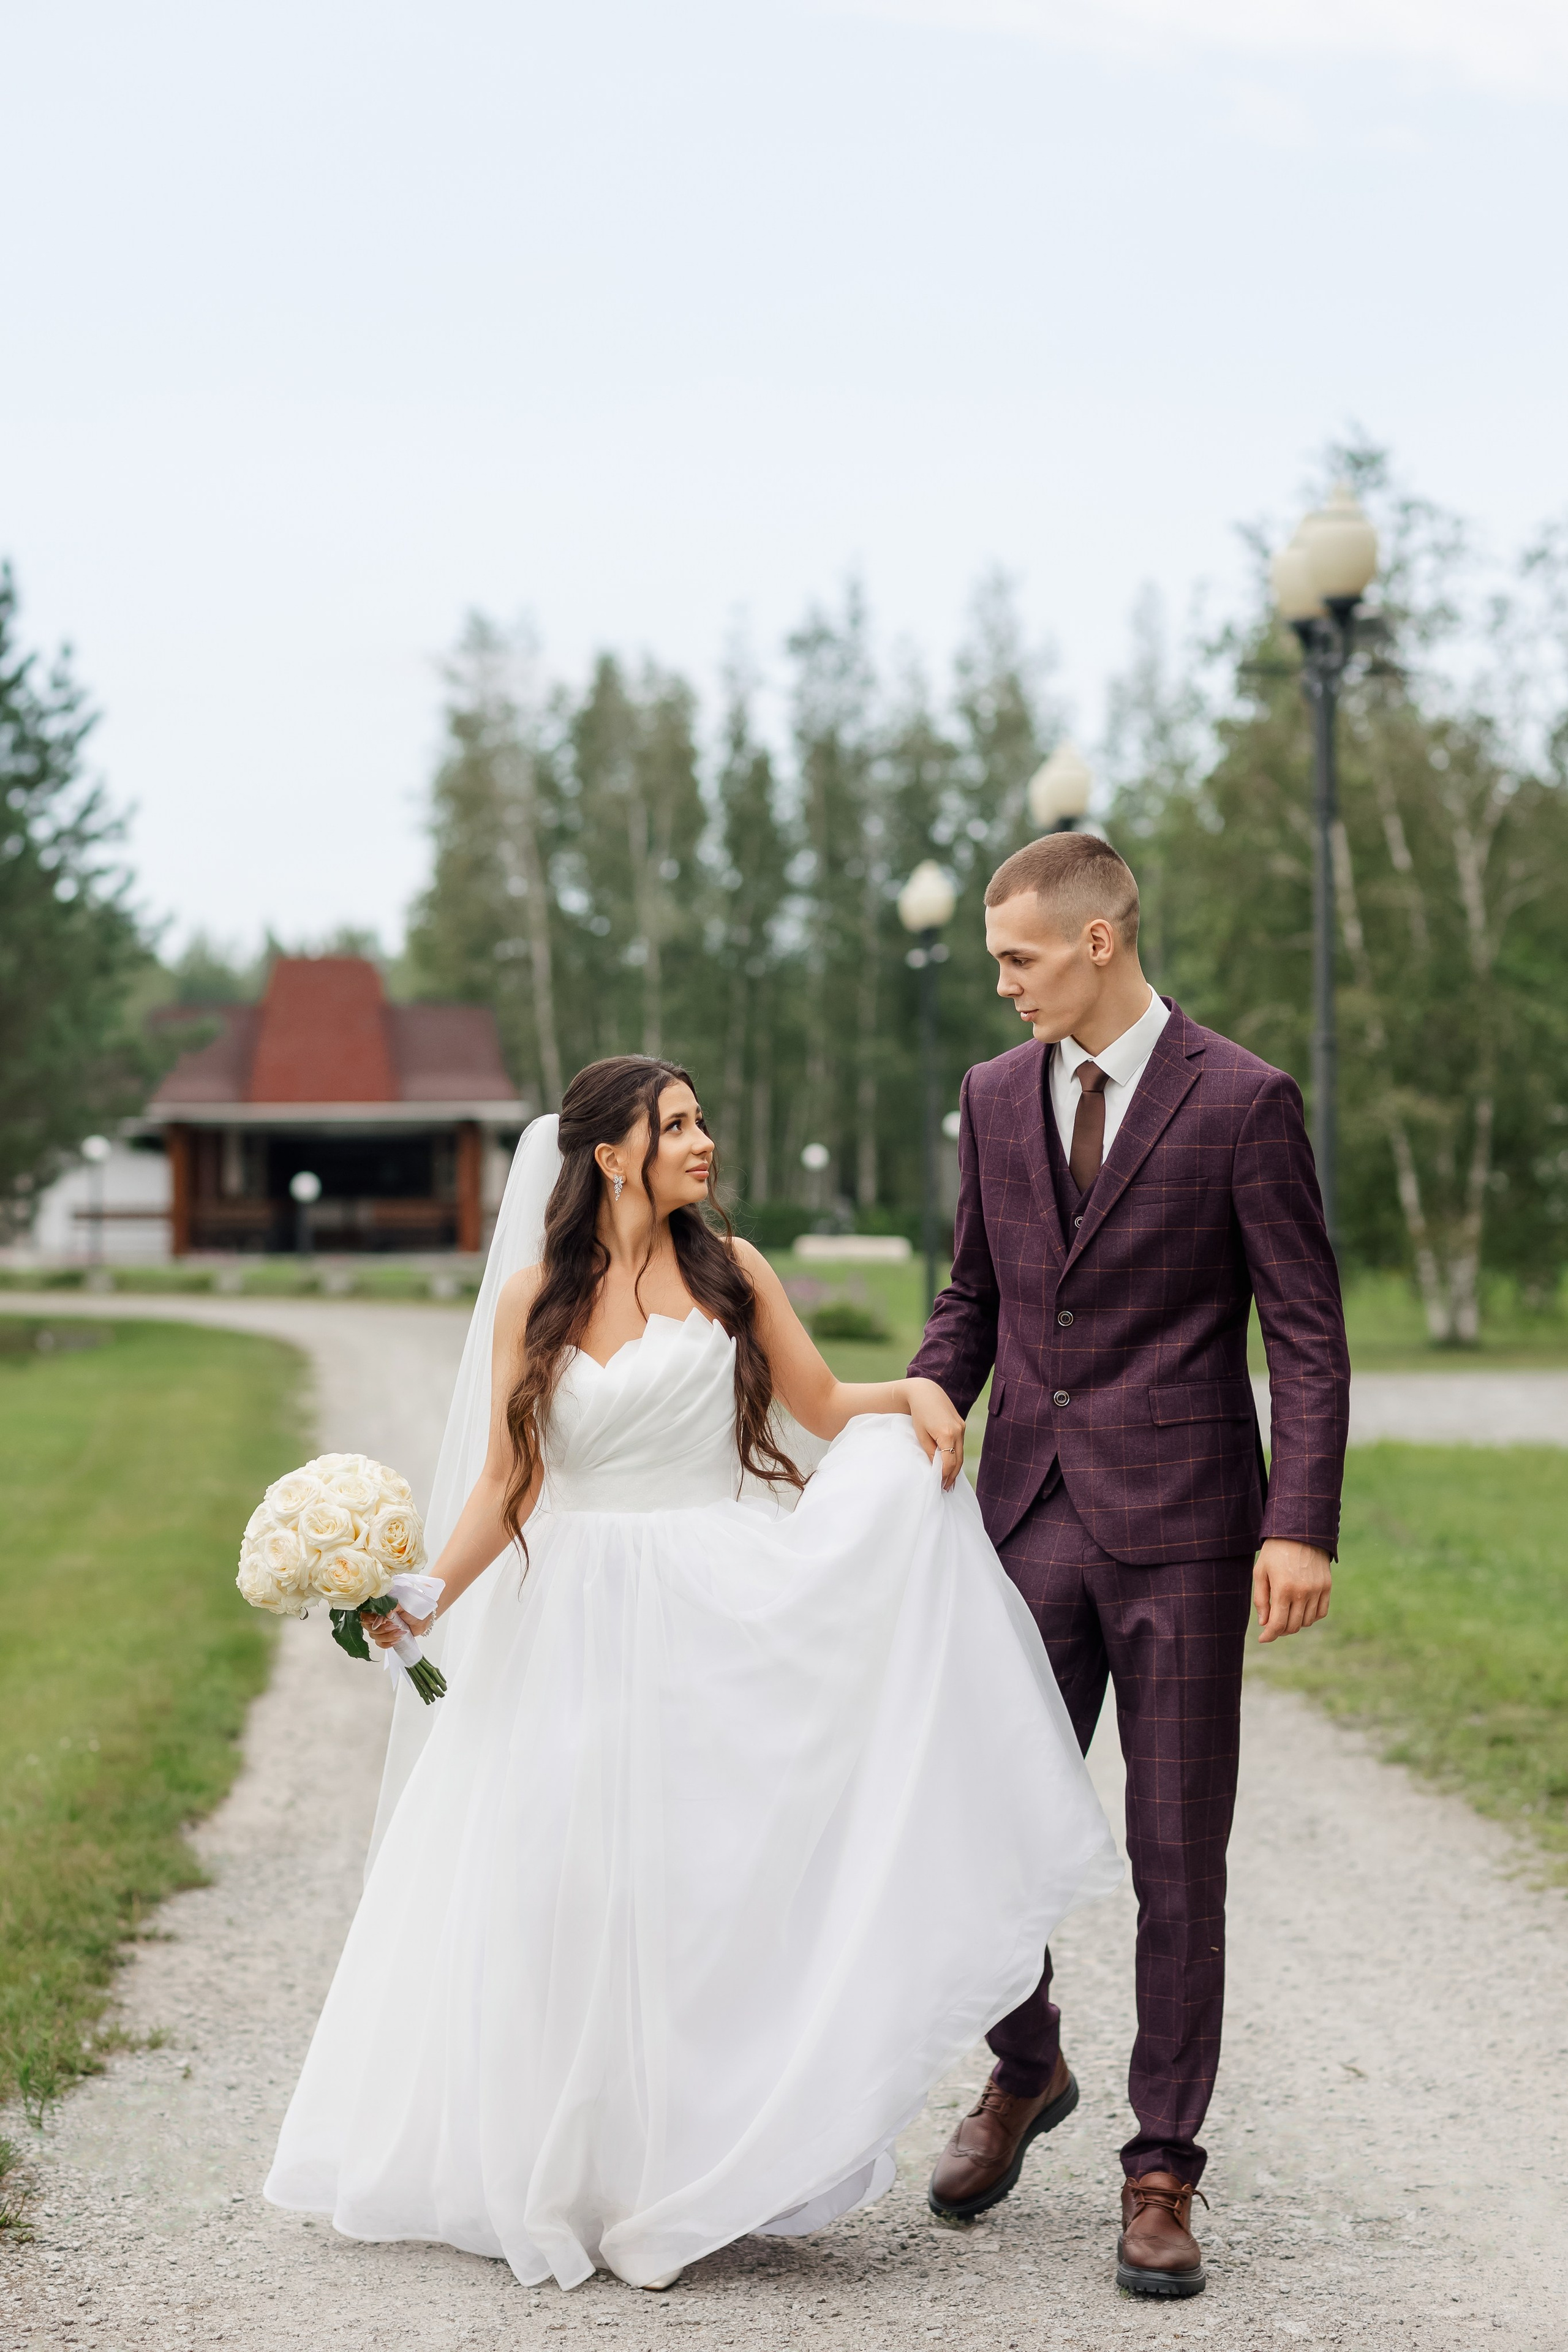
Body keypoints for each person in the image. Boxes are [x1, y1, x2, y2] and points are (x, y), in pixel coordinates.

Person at [265, 1054, 1120, 2294]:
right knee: (565, 1880)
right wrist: (426, 1597)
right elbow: (510, 1483)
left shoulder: (732, 1271)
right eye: (675, 1126)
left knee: (698, 1879)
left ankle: (699, 2163)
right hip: (571, 1614)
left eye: (702, 1120)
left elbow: (824, 1405)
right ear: (610, 1154)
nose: (702, 1141)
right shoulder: (533, 1301)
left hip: (712, 1596)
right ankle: (570, 2166)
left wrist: (920, 1399)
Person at [911, 832, 1349, 2301]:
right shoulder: (989, 1096)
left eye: (1018, 959)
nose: (1002, 987)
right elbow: (970, 1292)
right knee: (985, 1832)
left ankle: (1161, 2167)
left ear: (1099, 941)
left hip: (1185, 1528)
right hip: (1026, 1515)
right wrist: (917, 1408)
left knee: (1175, 1861)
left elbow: (1302, 1329)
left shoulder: (1240, 1101)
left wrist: (1300, 1521)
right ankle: (1024, 2068)